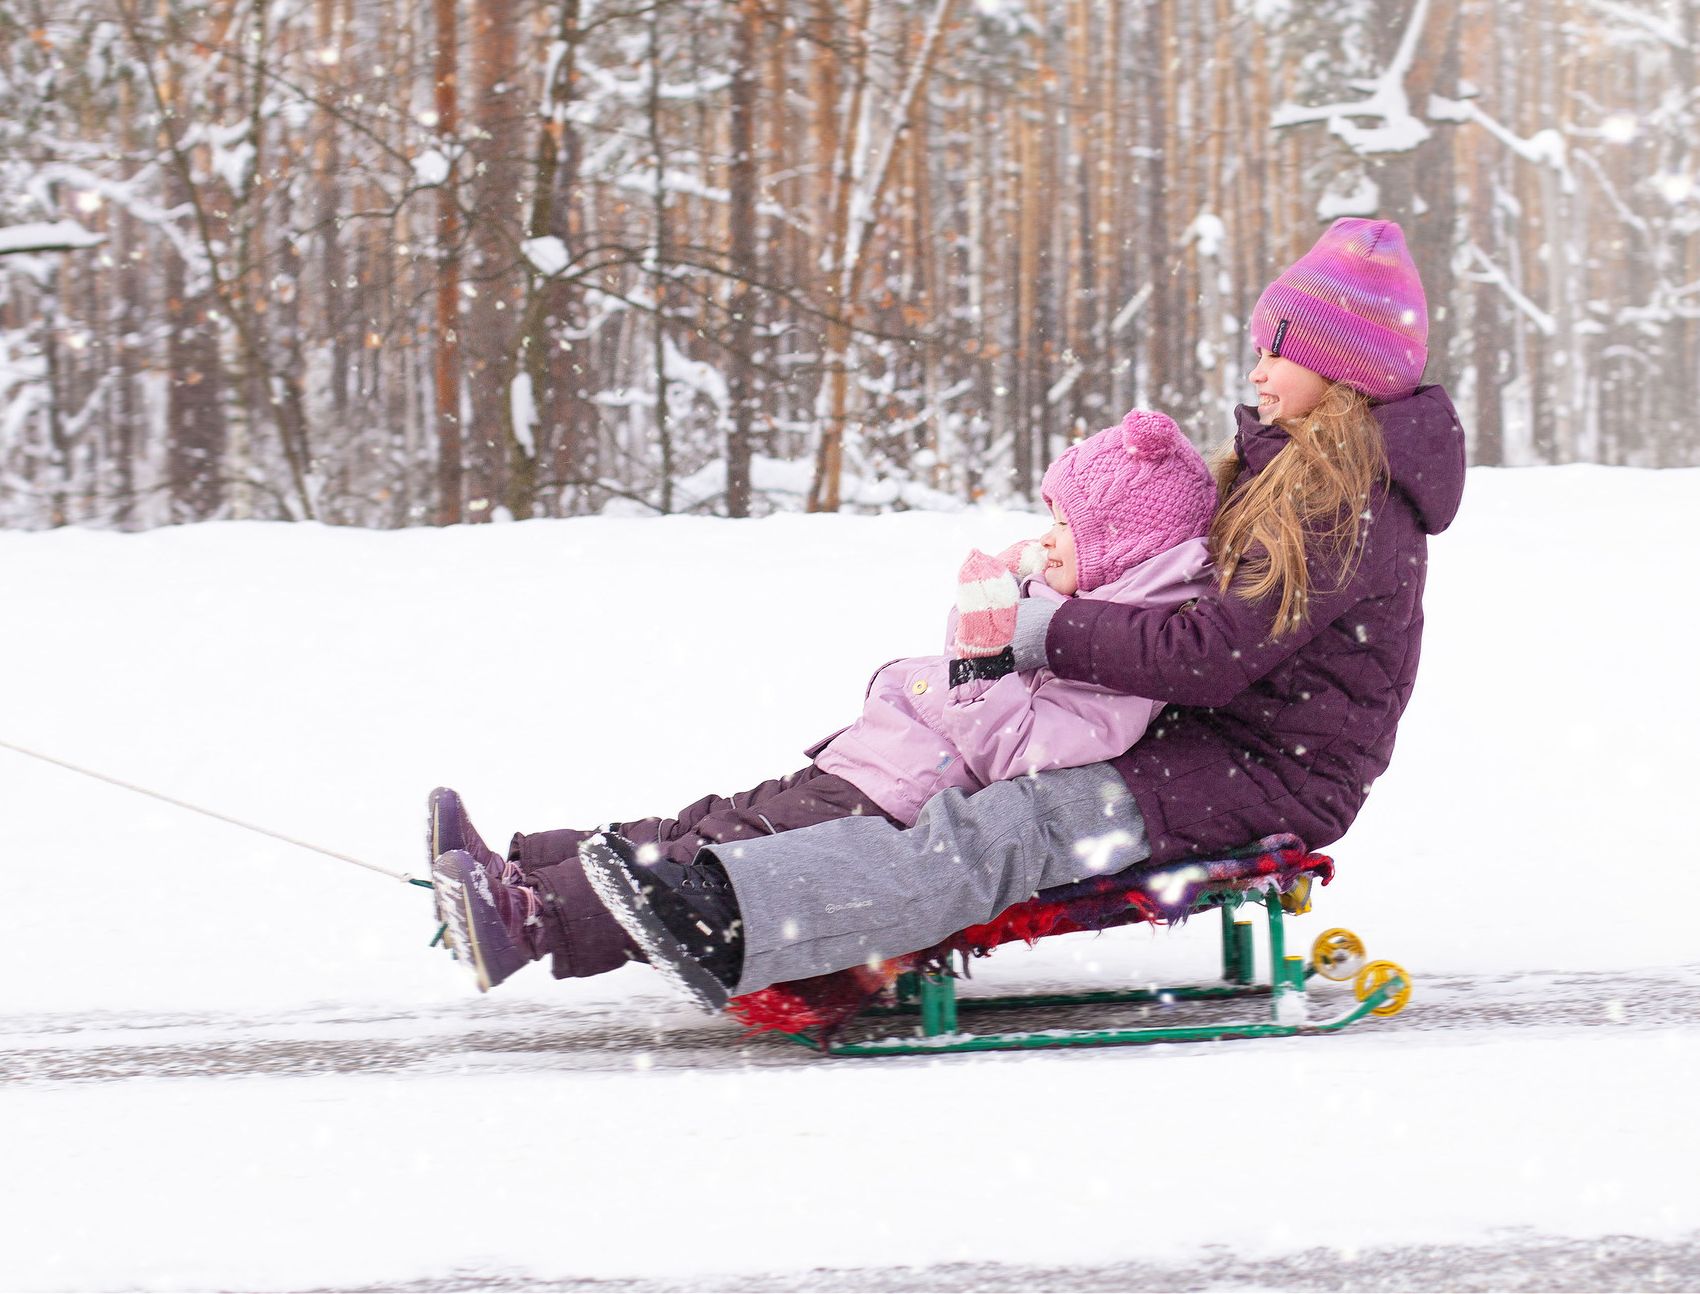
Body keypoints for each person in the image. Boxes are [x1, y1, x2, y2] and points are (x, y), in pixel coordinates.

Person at [427, 408, 1221, 998]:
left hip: (897, 798)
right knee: (702, 822)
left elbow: (1020, 755)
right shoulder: (1075, 610)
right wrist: (1004, 604)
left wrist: (982, 642)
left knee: (710, 860)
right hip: (875, 761)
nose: (1046, 539)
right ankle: (522, 868)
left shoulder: (1125, 667)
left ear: (1120, 549)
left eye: (1065, 527)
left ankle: (531, 920)